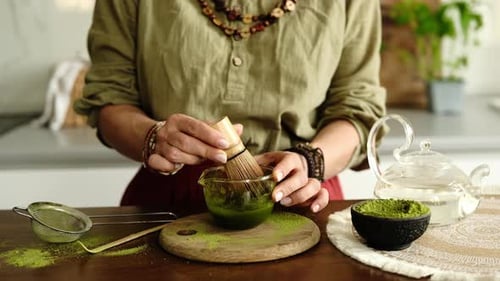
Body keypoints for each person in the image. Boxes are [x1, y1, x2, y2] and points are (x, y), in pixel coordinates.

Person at [74, 0, 386, 216]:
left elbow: (358, 110)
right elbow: (109, 99)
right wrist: (155, 138)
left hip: (300, 195)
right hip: (169, 203)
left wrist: (310, 162)